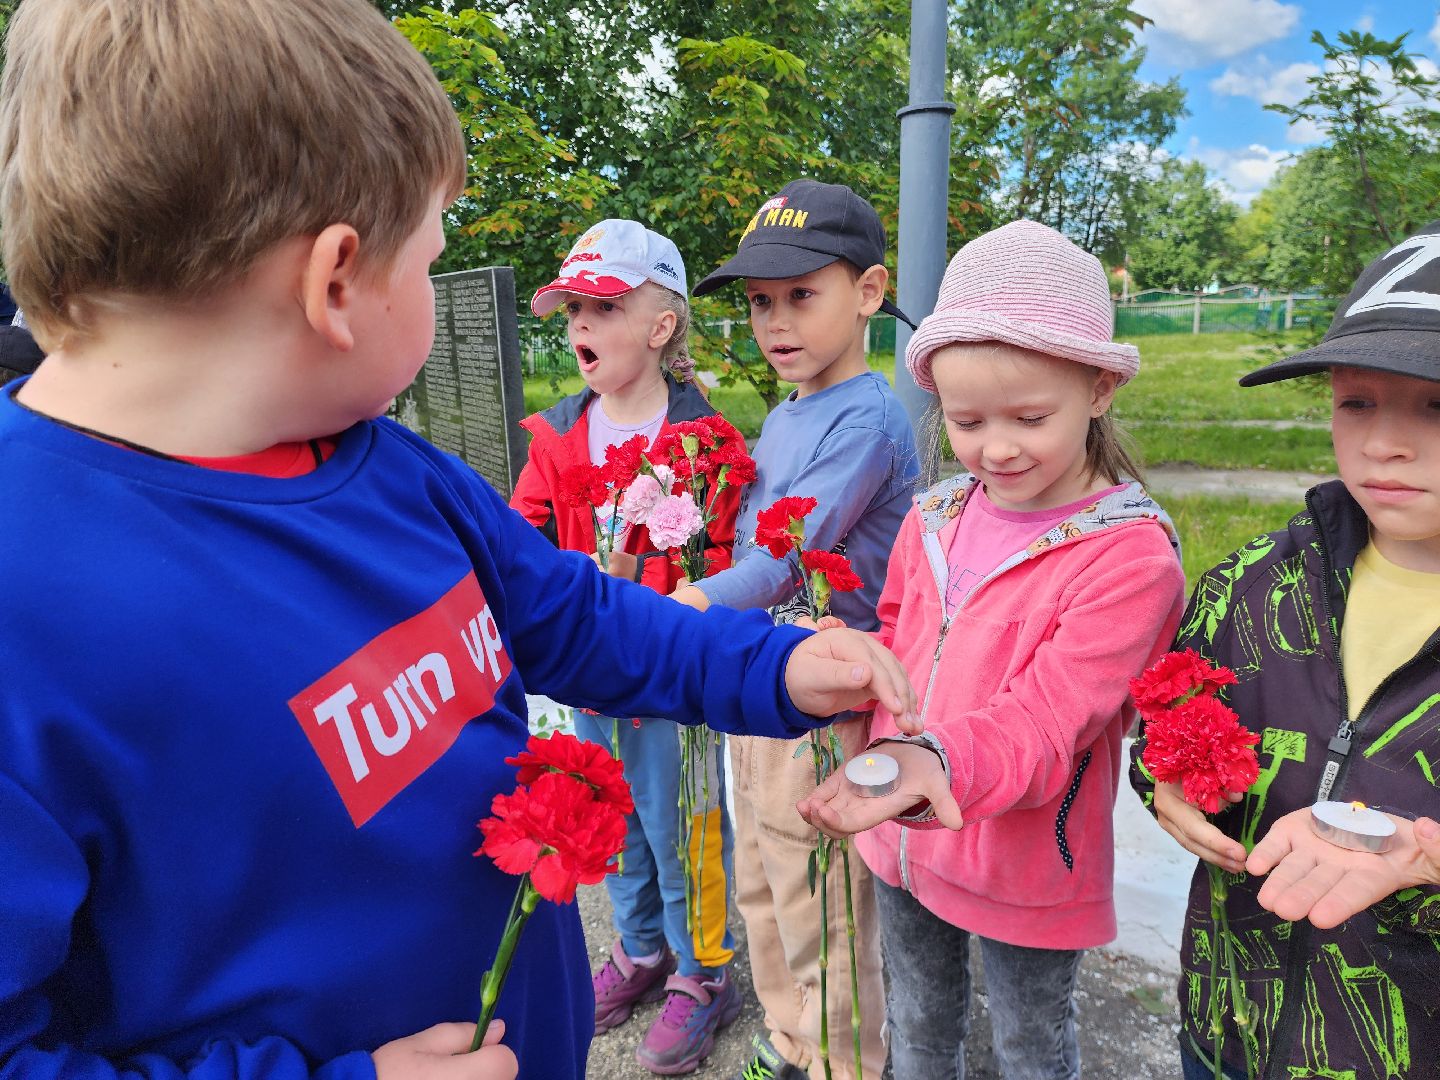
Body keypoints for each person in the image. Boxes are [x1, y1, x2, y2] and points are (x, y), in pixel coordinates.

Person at [0, 4, 921, 1079]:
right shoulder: (29, 606)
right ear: (337, 281)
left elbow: (573, 616)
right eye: (432, 252)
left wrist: (774, 662)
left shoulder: (392, 471)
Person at [799, 220, 1188, 1080]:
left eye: (1029, 417)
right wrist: (855, 662)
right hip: (900, 833)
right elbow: (900, 629)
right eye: (967, 421)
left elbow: (1050, 718)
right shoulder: (936, 515)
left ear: (1098, 389)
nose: (996, 449)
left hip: (1023, 862)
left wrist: (928, 759)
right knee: (920, 1024)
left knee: (1029, 1044)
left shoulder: (1129, 559)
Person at [1127, 221, 1440, 1080]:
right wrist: (1164, 781)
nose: (1385, 443)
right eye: (1358, 402)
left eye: (1436, 405)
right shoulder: (1254, 583)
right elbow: (1166, 723)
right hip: (1226, 1027)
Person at [676, 179, 920, 1080]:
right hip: (763, 676)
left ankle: (841, 1062)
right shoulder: (789, 410)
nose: (776, 322)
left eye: (801, 296)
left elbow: (786, 558)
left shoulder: (868, 415)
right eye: (759, 303)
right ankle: (787, 1041)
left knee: (824, 899)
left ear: (867, 291)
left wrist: (676, 611)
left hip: (825, 697)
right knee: (765, 885)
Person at [510, 219, 744, 1076]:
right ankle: (642, 950)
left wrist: (641, 596)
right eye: (572, 308)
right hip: (589, 677)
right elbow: (521, 540)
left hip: (671, 679)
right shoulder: (556, 434)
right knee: (616, 823)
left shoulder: (707, 443)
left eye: (604, 306)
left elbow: (725, 561)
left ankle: (703, 971)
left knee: (686, 823)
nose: (580, 325)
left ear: (661, 326)